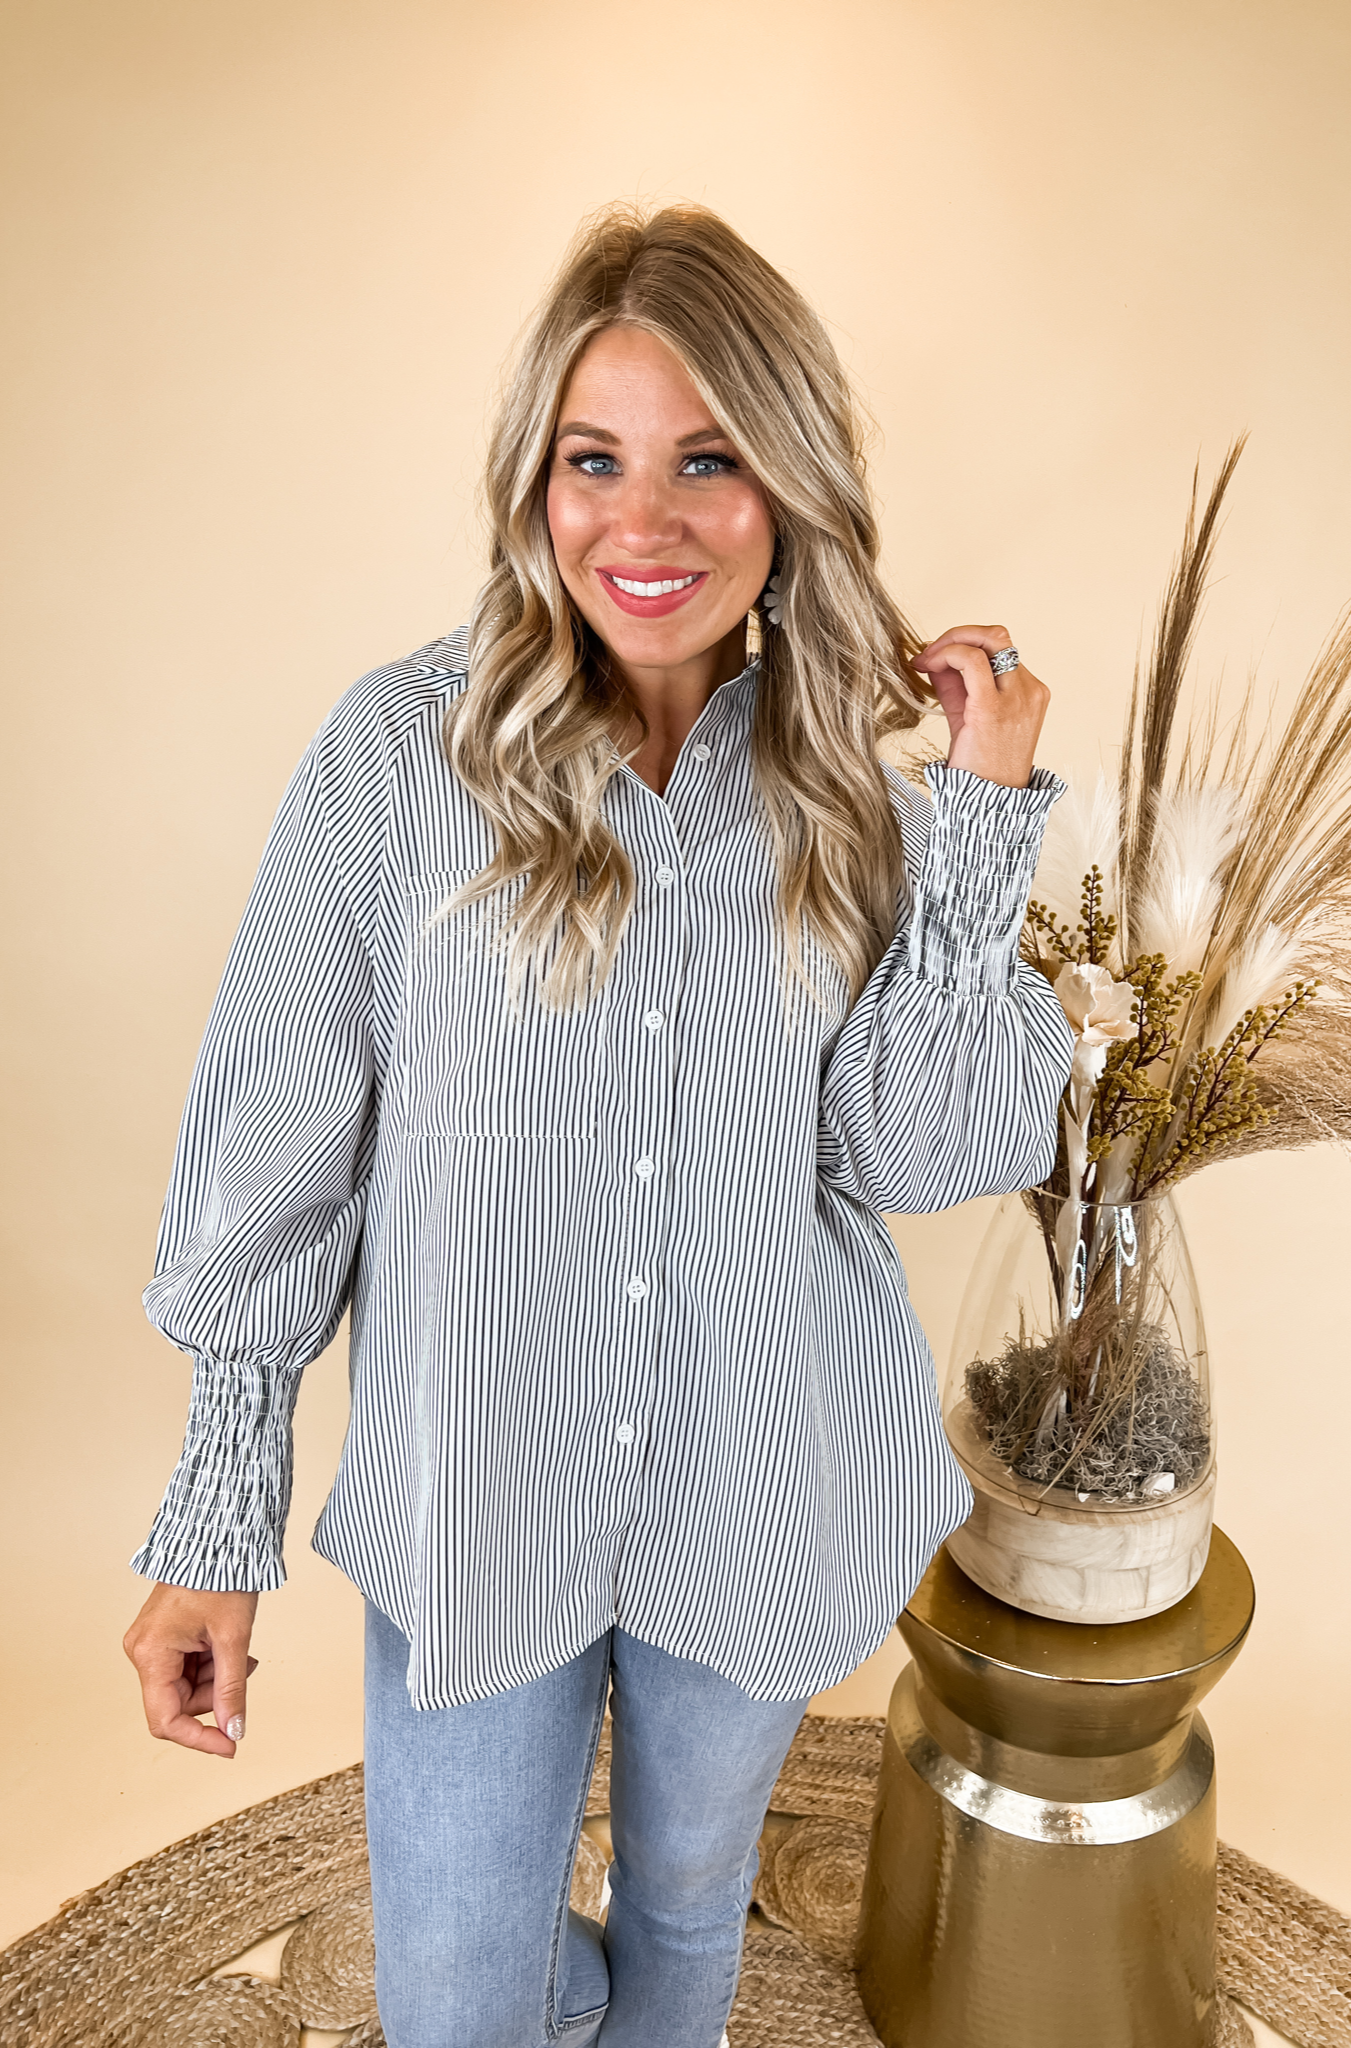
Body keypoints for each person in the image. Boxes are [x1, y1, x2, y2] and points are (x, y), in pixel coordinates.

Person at [123, 204, 1071, 2048]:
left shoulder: (856, 800)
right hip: (479, 1492)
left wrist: (978, 819)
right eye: (594, 461)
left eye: (709, 461)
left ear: (789, 488)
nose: (646, 524)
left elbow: (923, 1152)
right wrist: (218, 1515)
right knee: (462, 2000)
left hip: (764, 1480)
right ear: (532, 482)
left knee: (686, 1931)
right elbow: (275, 1151)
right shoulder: (397, 757)